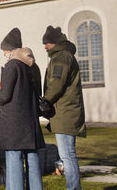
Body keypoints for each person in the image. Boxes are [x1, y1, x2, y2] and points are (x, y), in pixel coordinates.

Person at [0, 28, 45, 190]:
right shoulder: (32, 66)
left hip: (14, 121)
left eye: (5, 51)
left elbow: (5, 94)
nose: (4, 55)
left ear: (11, 50)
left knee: (13, 158)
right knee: (32, 158)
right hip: (29, 119)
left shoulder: (12, 66)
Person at [42, 26, 86, 190]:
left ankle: (73, 188)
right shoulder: (62, 56)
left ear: (54, 42)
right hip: (65, 111)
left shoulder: (61, 57)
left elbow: (57, 83)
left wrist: (45, 101)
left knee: (67, 155)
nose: (45, 46)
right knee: (67, 155)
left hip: (66, 112)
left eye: (46, 43)